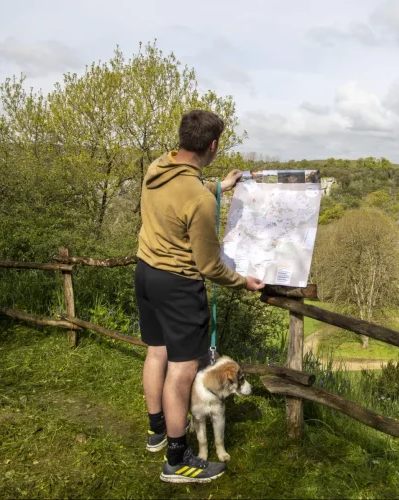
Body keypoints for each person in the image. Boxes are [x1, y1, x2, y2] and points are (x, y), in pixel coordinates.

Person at [134, 109, 265, 483]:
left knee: (156, 351)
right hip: (177, 285)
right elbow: (210, 267)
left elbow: (185, 194)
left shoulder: (159, 166)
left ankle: (156, 431)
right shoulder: (199, 200)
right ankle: (177, 459)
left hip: (146, 273)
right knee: (182, 370)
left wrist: (220, 187)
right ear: (212, 145)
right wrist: (244, 282)